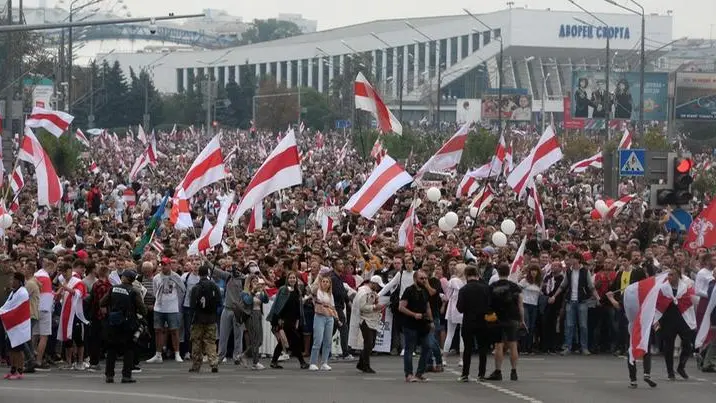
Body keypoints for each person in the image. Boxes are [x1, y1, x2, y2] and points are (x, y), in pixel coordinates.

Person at [549, 252, 600, 355]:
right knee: (569, 325)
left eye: (572, 259)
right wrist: (554, 296)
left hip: (582, 301)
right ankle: (568, 347)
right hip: (570, 301)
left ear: (577, 260)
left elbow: (591, 286)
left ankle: (584, 347)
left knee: (583, 325)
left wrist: (598, 297)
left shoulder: (585, 271)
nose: (570, 261)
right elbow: (563, 286)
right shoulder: (569, 271)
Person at [101, 269, 146, 384]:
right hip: (128, 324)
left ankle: (109, 376)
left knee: (111, 349)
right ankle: (126, 376)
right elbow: (143, 309)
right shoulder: (134, 291)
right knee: (129, 350)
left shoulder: (113, 288)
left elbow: (102, 302)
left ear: (123, 278)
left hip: (113, 322)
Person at [655, 267, 696, 380]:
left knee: (688, 345)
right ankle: (670, 372)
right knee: (669, 346)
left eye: (672, 275)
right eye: (669, 275)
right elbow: (658, 304)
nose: (669, 277)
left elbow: (689, 302)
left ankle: (681, 367)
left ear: (678, 276)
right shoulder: (663, 288)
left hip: (683, 319)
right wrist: (657, 319)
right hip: (668, 320)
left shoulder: (685, 287)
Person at [486, 263, 523, 381]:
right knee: (513, 344)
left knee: (498, 345)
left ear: (498, 272)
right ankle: (514, 371)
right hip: (512, 317)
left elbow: (488, 304)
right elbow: (520, 305)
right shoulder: (515, 287)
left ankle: (498, 371)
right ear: (508, 273)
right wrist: (522, 319)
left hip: (497, 318)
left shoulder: (492, 287)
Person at [266, 271, 309, 369]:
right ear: (287, 279)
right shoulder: (283, 289)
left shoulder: (298, 291)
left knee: (283, 342)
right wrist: (277, 319)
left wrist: (298, 319)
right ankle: (302, 362)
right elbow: (278, 305)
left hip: (293, 320)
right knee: (295, 340)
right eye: (290, 278)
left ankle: (273, 361)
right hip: (283, 320)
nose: (292, 279)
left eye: (294, 278)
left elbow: (298, 307)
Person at [456, 264, 491, 382]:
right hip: (483, 321)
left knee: (468, 348)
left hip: (468, 321)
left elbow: (460, 308)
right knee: (482, 348)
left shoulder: (463, 290)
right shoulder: (486, 288)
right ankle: (481, 373)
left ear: (466, 275)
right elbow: (490, 305)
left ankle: (465, 374)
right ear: (477, 275)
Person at [147, 259, 185, 364]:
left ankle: (177, 353)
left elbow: (182, 289)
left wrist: (176, 301)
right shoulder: (156, 278)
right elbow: (155, 291)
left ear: (170, 265)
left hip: (172, 308)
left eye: (165, 265)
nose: (163, 267)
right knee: (158, 330)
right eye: (162, 265)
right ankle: (158, 354)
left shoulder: (176, 277)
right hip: (159, 307)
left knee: (174, 330)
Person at [399, 270, 434, 383]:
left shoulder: (425, 290)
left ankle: (419, 373)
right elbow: (401, 307)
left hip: (424, 324)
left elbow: (428, 307)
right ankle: (408, 374)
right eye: (421, 278)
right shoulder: (409, 290)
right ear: (415, 279)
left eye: (425, 278)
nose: (424, 280)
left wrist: (431, 321)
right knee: (409, 349)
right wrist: (414, 314)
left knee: (428, 346)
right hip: (410, 324)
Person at [188, 265, 221, 373]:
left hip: (198, 318)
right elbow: (219, 301)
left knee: (196, 342)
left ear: (199, 273)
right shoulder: (214, 286)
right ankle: (213, 362)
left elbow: (192, 305)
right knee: (210, 341)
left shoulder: (196, 287)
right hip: (211, 318)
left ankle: (196, 364)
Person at [349, 275, 385, 374]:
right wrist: (374, 307)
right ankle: (365, 365)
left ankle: (361, 363)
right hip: (364, 320)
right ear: (373, 283)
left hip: (371, 320)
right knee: (368, 343)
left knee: (371, 343)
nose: (378, 288)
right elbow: (362, 307)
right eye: (377, 285)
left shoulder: (370, 292)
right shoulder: (364, 292)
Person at [2, 273, 31, 380]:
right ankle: (13, 370)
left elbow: (18, 309)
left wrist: (3, 313)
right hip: (11, 324)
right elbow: (8, 306)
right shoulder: (14, 292)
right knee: (11, 349)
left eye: (13, 279)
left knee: (18, 350)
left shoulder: (23, 292)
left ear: (19, 281)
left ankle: (20, 371)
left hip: (19, 325)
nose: (11, 281)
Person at [308, 275, 340, 371]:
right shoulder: (318, 292)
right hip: (319, 317)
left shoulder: (330, 295)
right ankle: (313, 363)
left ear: (330, 284)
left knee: (328, 341)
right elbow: (313, 289)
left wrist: (337, 318)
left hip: (329, 318)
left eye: (327, 282)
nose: (325, 283)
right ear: (321, 283)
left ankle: (324, 362)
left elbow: (333, 307)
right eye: (324, 281)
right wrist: (318, 277)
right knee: (318, 340)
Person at [241, 275, 269, 370]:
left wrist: (264, 289)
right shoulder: (245, 292)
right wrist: (253, 291)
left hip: (258, 315)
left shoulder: (259, 292)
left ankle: (244, 355)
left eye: (257, 281)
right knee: (254, 339)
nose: (256, 283)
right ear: (249, 283)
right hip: (251, 315)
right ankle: (255, 362)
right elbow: (247, 302)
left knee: (259, 340)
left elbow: (266, 300)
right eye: (254, 281)